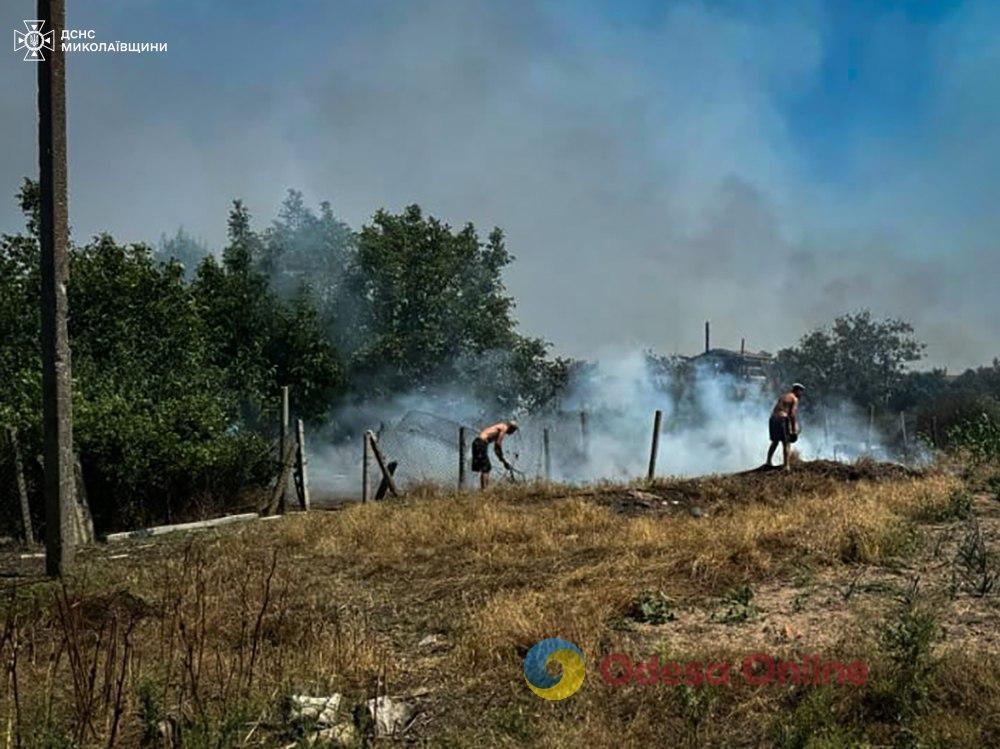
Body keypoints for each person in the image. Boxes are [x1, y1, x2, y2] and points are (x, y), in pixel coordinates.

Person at [767, 383, 805, 470]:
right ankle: (786, 466)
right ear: (797, 390)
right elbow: (792, 414)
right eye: (801, 392)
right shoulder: (794, 399)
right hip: (782, 419)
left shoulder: (783, 396)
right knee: (786, 442)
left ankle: (768, 461)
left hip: (773, 419)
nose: (801, 394)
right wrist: (794, 430)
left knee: (775, 442)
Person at [472, 419, 519, 490]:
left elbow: (496, 449)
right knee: (486, 467)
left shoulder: (500, 427)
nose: (512, 433)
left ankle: (478, 488)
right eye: (513, 430)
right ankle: (484, 490)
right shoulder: (504, 427)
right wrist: (504, 460)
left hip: (477, 443)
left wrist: (503, 461)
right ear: (511, 427)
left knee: (481, 467)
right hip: (481, 443)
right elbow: (498, 444)